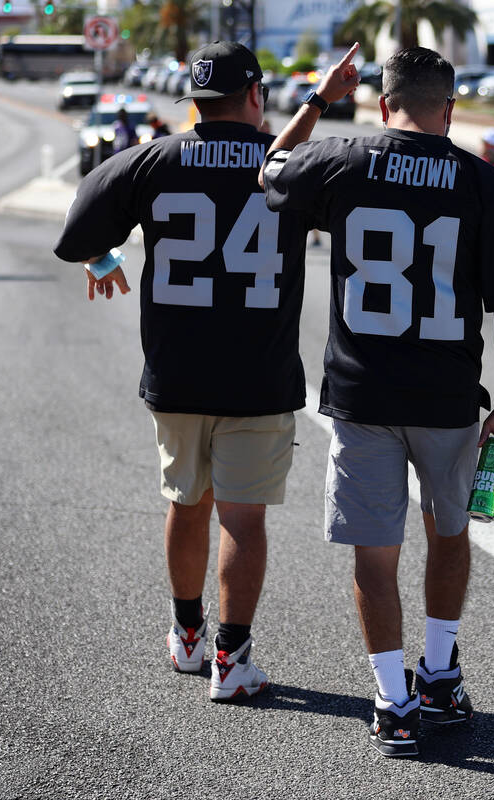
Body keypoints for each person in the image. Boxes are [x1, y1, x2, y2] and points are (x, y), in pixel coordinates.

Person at [260, 45, 494, 757]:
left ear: (383, 105)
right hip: (448, 395)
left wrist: (321, 101)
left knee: (375, 552)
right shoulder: (483, 182)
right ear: (448, 108)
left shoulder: (344, 157)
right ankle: (441, 673)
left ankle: (393, 702)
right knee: (450, 532)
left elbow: (269, 169)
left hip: (362, 392)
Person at [53, 41, 321, 703]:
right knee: (243, 518)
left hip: (177, 370)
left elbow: (75, 235)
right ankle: (231, 659)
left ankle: (186, 635)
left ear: (195, 101)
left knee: (185, 502)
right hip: (257, 374)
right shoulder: (281, 162)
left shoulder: (152, 159)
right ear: (256, 95)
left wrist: (101, 260)